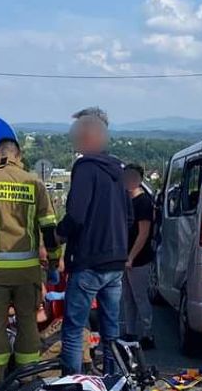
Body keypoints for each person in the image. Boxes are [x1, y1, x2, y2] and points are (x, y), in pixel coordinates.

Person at [0, 137, 60, 390]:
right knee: (28, 324)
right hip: (28, 272)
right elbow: (49, 228)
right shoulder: (35, 184)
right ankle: (27, 379)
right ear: (18, 156)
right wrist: (53, 263)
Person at [56, 107, 131, 376]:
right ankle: (113, 381)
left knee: (74, 328)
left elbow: (76, 215)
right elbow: (129, 215)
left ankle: (72, 386)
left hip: (89, 261)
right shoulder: (117, 169)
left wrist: (58, 234)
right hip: (115, 262)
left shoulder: (85, 167)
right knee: (111, 329)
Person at [120, 163, 156, 350]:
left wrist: (131, 257)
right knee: (127, 297)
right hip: (126, 256)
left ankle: (147, 334)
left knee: (140, 296)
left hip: (139, 258)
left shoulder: (143, 202)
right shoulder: (127, 199)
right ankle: (131, 331)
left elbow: (144, 233)